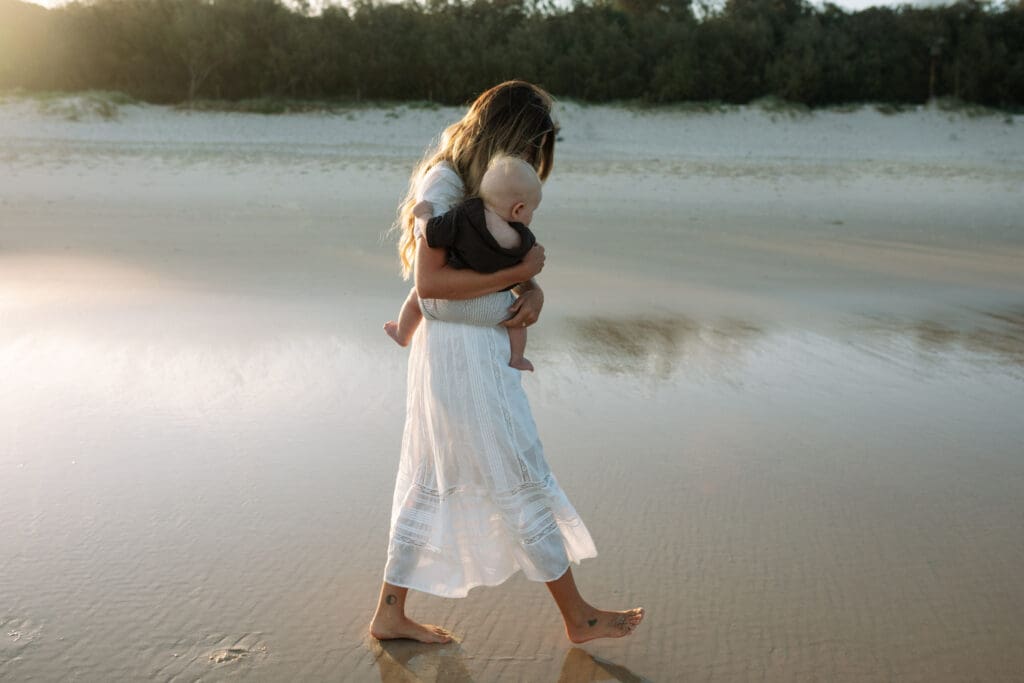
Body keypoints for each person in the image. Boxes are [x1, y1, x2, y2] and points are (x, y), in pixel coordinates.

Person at [369, 81, 645, 645]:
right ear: (508, 136)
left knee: (431, 475)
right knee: (514, 471)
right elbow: (431, 288)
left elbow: (495, 260)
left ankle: (389, 614)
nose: (529, 163)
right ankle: (579, 618)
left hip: (472, 353)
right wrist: (513, 280)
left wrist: (533, 292)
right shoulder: (443, 182)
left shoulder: (476, 185)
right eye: (529, 147)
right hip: (458, 361)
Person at [384, 154, 543, 372]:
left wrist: (423, 215)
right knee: (517, 322)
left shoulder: (464, 215)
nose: (531, 217)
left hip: (447, 305)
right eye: (532, 211)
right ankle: (517, 358)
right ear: (518, 209)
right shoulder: (523, 238)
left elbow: (432, 234)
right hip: (495, 310)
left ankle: (402, 334)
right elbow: (523, 269)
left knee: (414, 299)